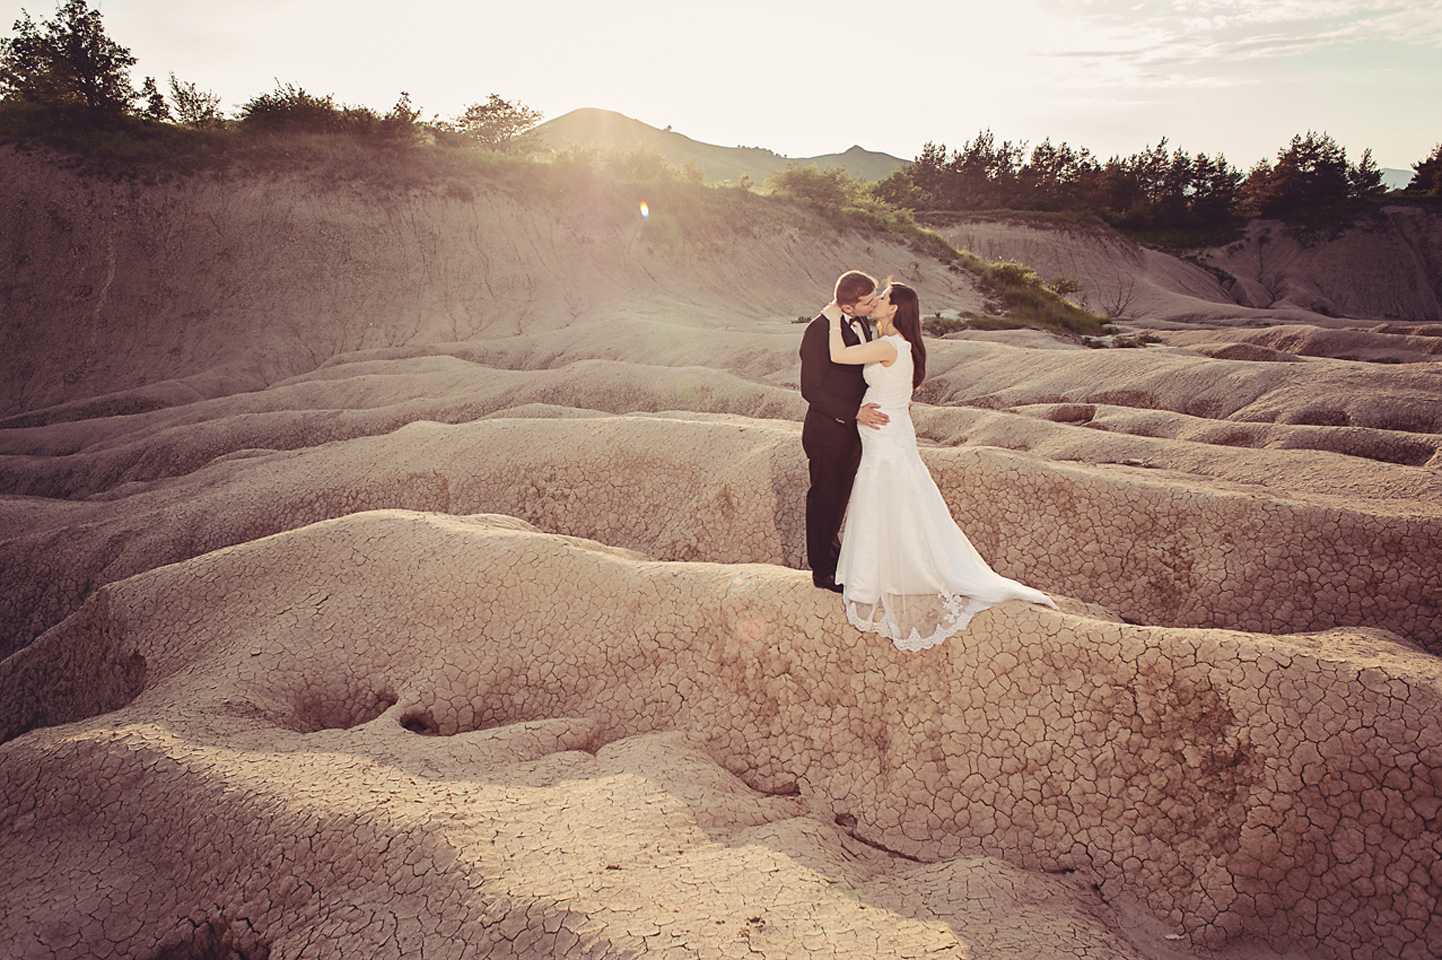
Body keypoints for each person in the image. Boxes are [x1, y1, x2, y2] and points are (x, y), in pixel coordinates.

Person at [823, 280, 1057, 650]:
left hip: (885, 435)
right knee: (896, 493)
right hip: (890, 429)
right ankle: (886, 570)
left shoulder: (888, 345)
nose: (877, 302)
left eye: (882, 298)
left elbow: (837, 354)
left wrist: (833, 314)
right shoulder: (904, 345)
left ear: (895, 308)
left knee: (884, 492)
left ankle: (880, 575)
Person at [799, 270, 890, 593]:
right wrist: (852, 413)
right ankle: (822, 571)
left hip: (854, 432)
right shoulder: (818, 331)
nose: (874, 304)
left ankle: (834, 557)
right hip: (827, 432)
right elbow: (811, 388)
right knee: (823, 500)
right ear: (848, 308)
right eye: (868, 302)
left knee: (839, 501)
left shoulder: (861, 321)